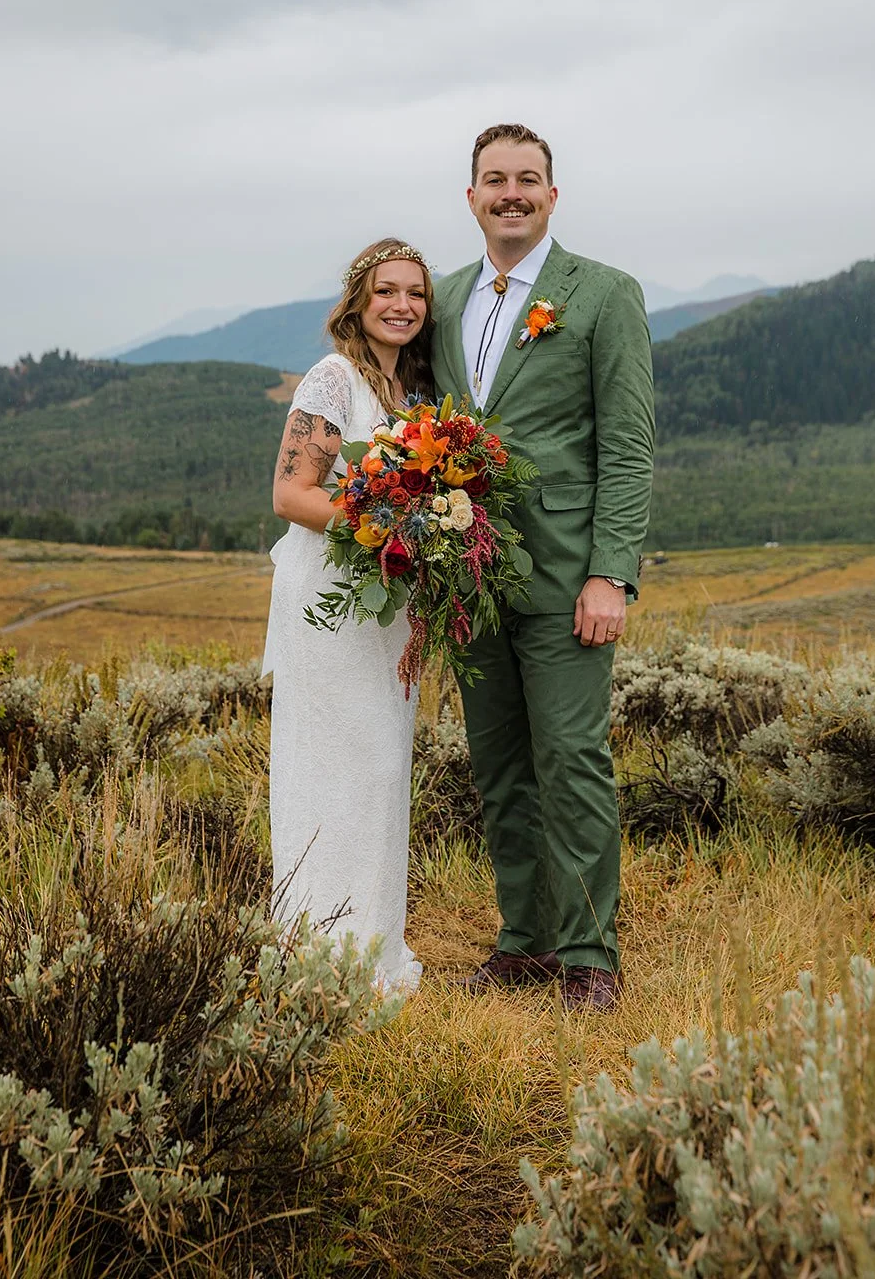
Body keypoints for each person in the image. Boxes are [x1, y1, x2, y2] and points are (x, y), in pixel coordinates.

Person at [430, 123, 655, 1012]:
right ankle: (521, 942)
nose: (511, 193)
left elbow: (628, 448)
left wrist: (612, 573)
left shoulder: (600, 295)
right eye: (494, 179)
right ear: (473, 197)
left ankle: (589, 953)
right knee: (498, 766)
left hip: (567, 573)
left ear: (552, 195)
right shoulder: (445, 299)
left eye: (528, 179)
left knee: (571, 759)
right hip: (470, 575)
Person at [262, 237, 434, 996]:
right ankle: (315, 954)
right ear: (358, 302)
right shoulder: (332, 380)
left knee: (380, 771)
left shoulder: (415, 401)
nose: (402, 305)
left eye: (416, 295)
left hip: (386, 607)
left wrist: (420, 603)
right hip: (329, 603)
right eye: (387, 291)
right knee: (330, 768)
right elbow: (293, 495)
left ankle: (371, 949)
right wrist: (384, 523)